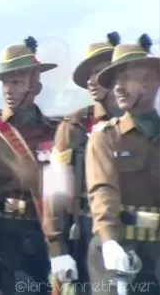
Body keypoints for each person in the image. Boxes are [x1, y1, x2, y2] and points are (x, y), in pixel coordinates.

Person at [0, 36, 61, 295]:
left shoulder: (55, 133)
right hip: (4, 237)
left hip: (45, 235)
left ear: (35, 86)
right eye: (6, 82)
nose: (9, 89)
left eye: (17, 82)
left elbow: (60, 193)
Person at [48, 32, 122, 295]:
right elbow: (55, 191)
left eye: (100, 72)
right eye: (89, 75)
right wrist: (57, 249)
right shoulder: (74, 127)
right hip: (86, 235)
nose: (92, 81)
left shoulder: (145, 126)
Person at [86, 34, 160, 295]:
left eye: (127, 77)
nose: (117, 87)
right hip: (119, 251)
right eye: (115, 80)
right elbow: (102, 190)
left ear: (152, 81)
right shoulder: (105, 136)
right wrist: (108, 241)